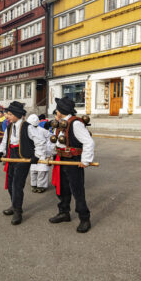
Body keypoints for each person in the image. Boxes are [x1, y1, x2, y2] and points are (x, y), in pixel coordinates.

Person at [0, 101, 46, 225]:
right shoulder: (9, 126)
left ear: (17, 115)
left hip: (23, 157)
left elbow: (40, 141)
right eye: (8, 114)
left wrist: (37, 156)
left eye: (10, 114)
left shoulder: (27, 126)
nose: (8, 116)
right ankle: (14, 205)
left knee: (17, 185)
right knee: (9, 183)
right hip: (11, 155)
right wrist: (0, 152)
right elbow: (5, 141)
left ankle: (18, 211)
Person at [49, 97, 94, 233]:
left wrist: (85, 160)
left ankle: (84, 219)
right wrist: (50, 154)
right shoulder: (61, 123)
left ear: (61, 111)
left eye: (57, 109)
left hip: (73, 161)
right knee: (63, 189)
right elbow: (57, 143)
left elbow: (89, 142)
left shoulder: (75, 124)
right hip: (62, 160)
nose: (56, 111)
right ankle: (64, 213)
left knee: (77, 191)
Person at [27, 114, 53, 193]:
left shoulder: (42, 130)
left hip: (43, 153)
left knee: (42, 171)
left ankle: (41, 186)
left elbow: (51, 138)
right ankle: (34, 184)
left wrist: (48, 151)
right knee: (33, 170)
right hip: (33, 153)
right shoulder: (27, 131)